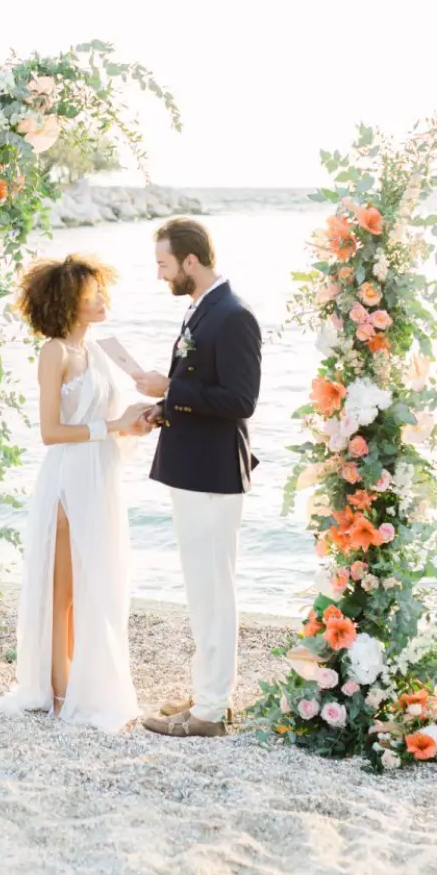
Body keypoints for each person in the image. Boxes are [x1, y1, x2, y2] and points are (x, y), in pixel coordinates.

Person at [0, 254, 148, 733]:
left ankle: (82, 682)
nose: (103, 298)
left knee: (99, 582)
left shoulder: (100, 352)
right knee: (63, 591)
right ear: (70, 299)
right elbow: (50, 431)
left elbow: (107, 422)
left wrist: (134, 422)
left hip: (101, 476)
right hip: (69, 477)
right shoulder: (55, 353)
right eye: (94, 292)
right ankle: (58, 690)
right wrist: (111, 426)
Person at [133, 218, 262, 738]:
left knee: (213, 590)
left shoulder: (232, 316)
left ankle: (211, 710)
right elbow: (201, 388)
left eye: (164, 264)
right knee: (201, 588)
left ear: (190, 261)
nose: (160, 274)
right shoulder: (203, 309)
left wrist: (174, 389)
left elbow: (240, 401)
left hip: (213, 472)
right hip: (194, 466)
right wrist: (165, 405)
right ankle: (209, 692)